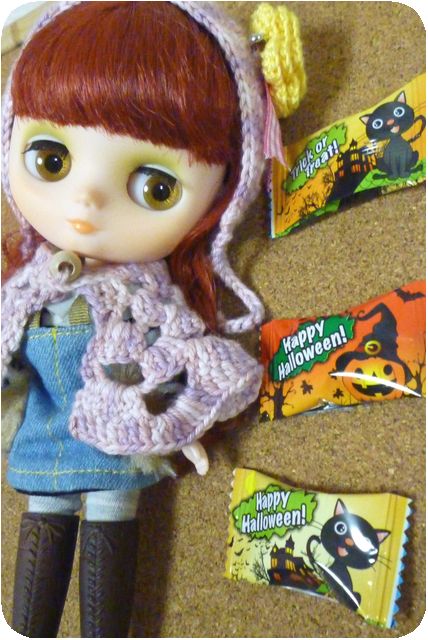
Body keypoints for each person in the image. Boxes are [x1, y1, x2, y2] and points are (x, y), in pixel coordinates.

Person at [1, 1, 305, 636]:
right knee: (40, 539)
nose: (85, 203)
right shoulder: (23, 287)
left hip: (121, 439)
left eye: (155, 187)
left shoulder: (151, 305)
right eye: (52, 159)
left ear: (219, 199)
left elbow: (177, 361)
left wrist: (178, 416)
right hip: (42, 432)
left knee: (110, 541)